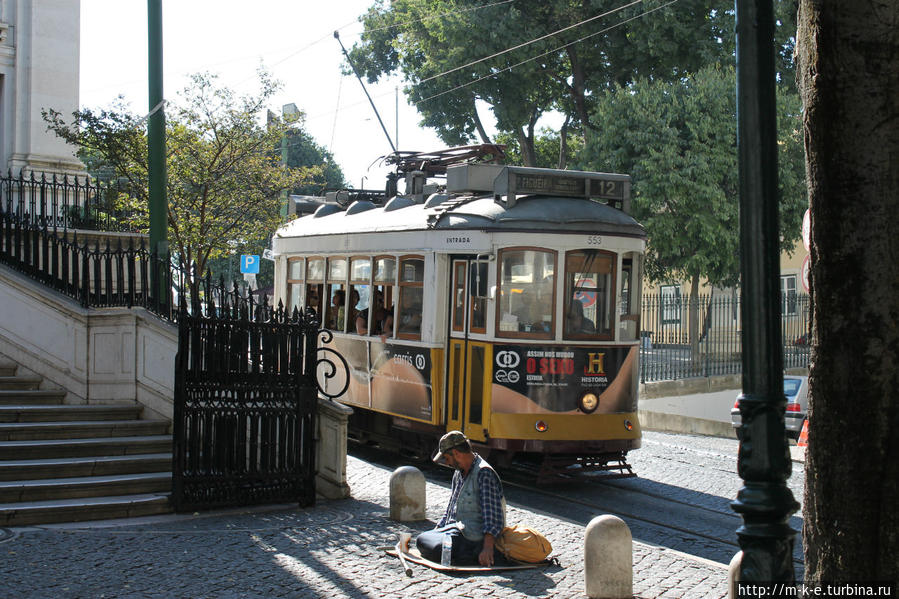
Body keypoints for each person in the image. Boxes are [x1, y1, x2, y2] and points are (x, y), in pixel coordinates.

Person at [415, 431, 506, 566]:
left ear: (456, 453)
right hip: (455, 530)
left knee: (435, 548)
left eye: (447, 458)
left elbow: (492, 516)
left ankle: (469, 554)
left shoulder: (483, 473)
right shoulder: (459, 473)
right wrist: (437, 531)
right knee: (422, 539)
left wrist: (488, 548)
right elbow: (450, 509)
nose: (447, 462)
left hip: (473, 537)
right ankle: (457, 552)